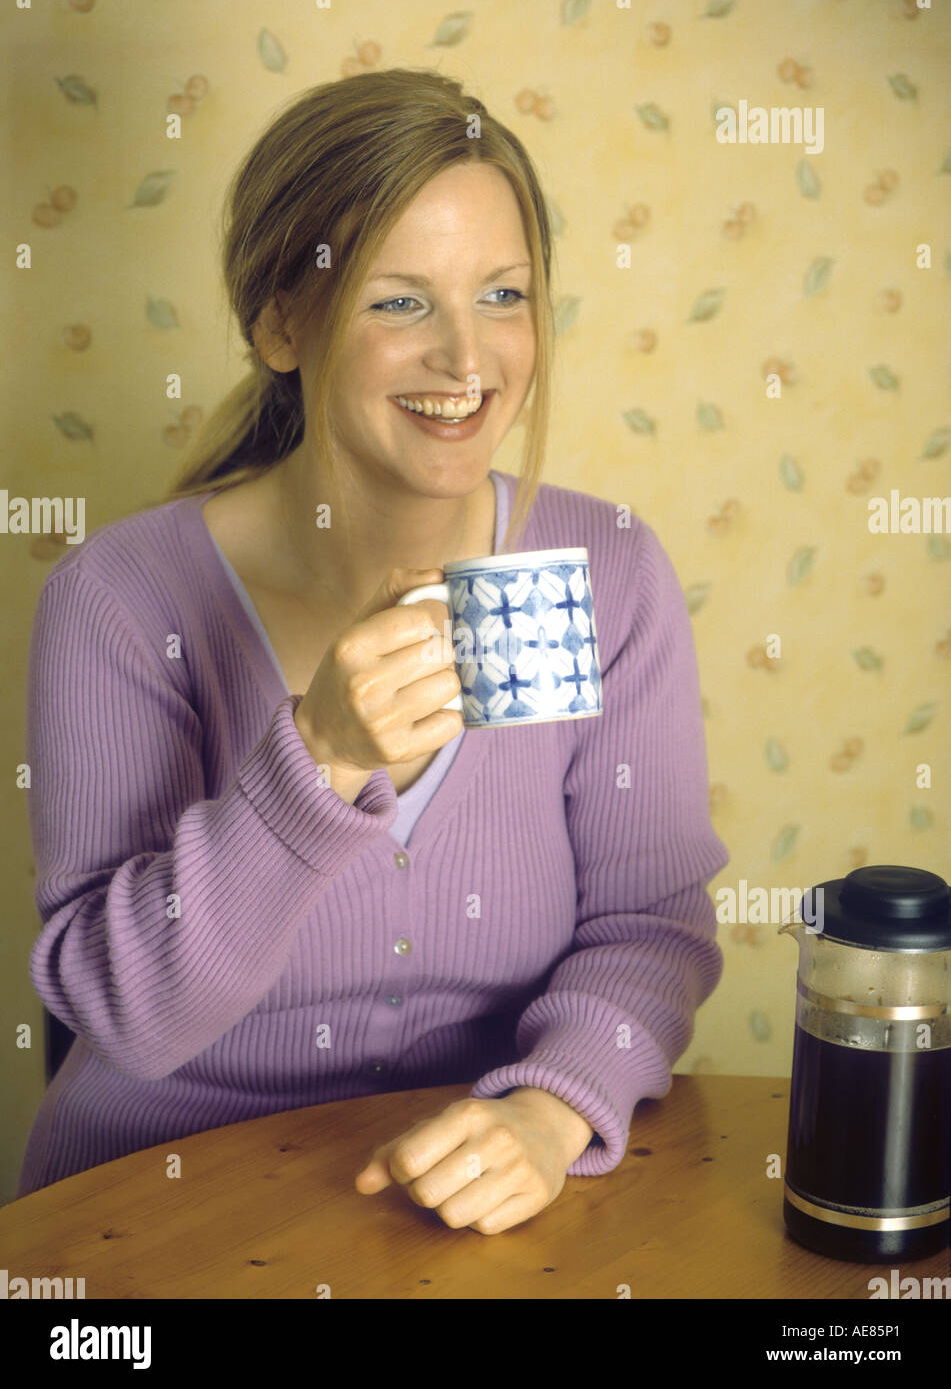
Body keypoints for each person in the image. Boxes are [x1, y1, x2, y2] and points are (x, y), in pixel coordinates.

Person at [18, 69, 729, 1235]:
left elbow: (648, 923)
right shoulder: (118, 596)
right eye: (400, 303)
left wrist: (551, 1109)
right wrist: (318, 757)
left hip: (473, 1198)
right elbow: (126, 1009)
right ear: (281, 323)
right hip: (159, 1196)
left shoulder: (606, 567)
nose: (466, 358)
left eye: (504, 294)